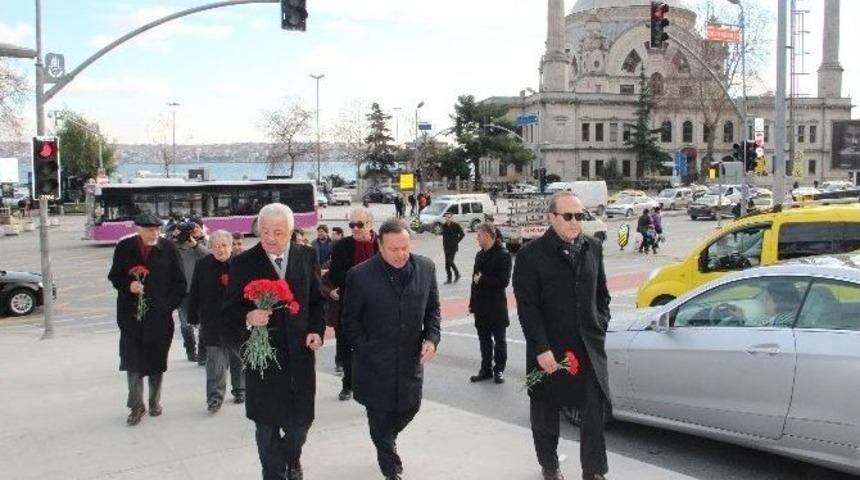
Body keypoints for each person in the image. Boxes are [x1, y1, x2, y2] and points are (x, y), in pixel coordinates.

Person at [512, 192, 612, 480]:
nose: (574, 222)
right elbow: (527, 307)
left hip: (588, 346)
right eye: (567, 216)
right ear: (552, 217)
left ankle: (594, 471)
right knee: (545, 410)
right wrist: (541, 348)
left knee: (594, 411)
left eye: (579, 216)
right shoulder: (531, 255)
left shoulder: (593, 247)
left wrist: (600, 323)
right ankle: (550, 465)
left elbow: (601, 295)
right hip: (549, 348)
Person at [222, 203, 324, 480]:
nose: (270, 237)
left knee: (301, 424)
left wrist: (316, 330)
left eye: (278, 232)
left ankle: (291, 459)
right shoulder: (243, 262)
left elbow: (316, 300)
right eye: (264, 231)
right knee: (266, 426)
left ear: (291, 232)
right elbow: (228, 311)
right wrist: (248, 316)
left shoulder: (307, 255)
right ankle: (274, 473)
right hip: (264, 360)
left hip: (300, 357)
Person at [340, 218, 441, 480]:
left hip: (410, 360)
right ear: (380, 246)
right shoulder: (359, 275)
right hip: (374, 363)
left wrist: (432, 338)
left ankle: (387, 440)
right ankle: (390, 467)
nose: (401, 254)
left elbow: (432, 309)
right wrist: (365, 348)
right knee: (379, 417)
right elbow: (349, 321)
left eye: (405, 247)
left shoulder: (426, 268)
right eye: (393, 249)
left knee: (410, 408)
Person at [107, 213, 186, 426]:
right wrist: (128, 285)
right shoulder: (125, 248)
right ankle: (136, 406)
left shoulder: (168, 249)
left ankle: (154, 402)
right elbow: (114, 276)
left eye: (157, 229)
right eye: (150, 230)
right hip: (130, 316)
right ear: (138, 229)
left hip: (159, 318)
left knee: (156, 361)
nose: (154, 234)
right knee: (132, 362)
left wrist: (167, 306)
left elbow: (180, 283)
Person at [188, 230, 245, 412]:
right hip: (211, 320)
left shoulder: (240, 264)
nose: (220, 250)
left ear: (230, 246)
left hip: (236, 320)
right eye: (216, 246)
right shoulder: (202, 265)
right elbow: (195, 291)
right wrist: (193, 315)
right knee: (215, 362)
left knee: (238, 358)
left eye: (224, 245)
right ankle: (214, 398)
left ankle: (240, 390)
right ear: (210, 248)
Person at [328, 207, 379, 401]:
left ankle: (373, 385)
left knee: (374, 349)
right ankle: (348, 384)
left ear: (370, 224)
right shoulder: (342, 246)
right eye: (352, 225)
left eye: (359, 224)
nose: (355, 228)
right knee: (347, 348)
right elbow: (335, 274)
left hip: (376, 308)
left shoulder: (382, 243)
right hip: (349, 306)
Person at [468, 223, 512, 384]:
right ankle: (485, 369)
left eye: (479, 235)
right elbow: (474, 281)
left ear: (487, 236)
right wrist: (472, 303)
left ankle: (499, 370)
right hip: (481, 306)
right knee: (483, 339)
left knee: (500, 340)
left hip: (496, 306)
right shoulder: (479, 255)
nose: (477, 238)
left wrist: (483, 280)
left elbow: (504, 281)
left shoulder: (503, 255)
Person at [174, 220, 210, 364]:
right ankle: (190, 349)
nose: (193, 232)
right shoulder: (176, 245)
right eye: (190, 230)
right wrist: (175, 237)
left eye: (196, 228)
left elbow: (209, 256)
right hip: (184, 291)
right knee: (185, 324)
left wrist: (195, 243)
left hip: (203, 289)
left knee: (204, 323)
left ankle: (202, 353)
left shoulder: (206, 242)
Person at [441, 212, 465, 284]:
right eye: (446, 217)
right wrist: (444, 245)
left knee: (450, 262)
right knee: (447, 264)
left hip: (453, 247)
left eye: (449, 217)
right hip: (446, 247)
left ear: (452, 218)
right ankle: (449, 279)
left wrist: (456, 241)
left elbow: (462, 234)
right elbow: (444, 237)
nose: (447, 218)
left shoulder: (456, 225)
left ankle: (457, 274)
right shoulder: (444, 225)